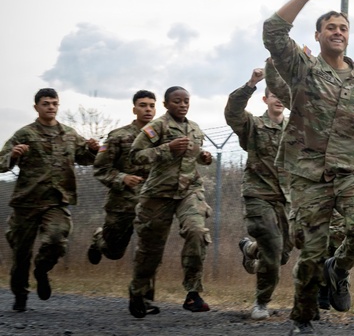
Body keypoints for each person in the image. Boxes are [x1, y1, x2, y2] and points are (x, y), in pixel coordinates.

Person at [264, 0, 354, 336]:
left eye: (343, 28)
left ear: (349, 37)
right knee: (312, 251)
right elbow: (272, 32)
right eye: (330, 27)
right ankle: (302, 319)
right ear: (317, 36)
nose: (337, 32)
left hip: (350, 171)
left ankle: (340, 267)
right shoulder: (303, 69)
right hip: (309, 175)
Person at [1, 88, 99, 311]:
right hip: (26, 202)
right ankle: (20, 295)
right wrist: (14, 155)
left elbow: (87, 158)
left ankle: (42, 269)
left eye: (54, 103)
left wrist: (93, 149)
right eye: (46, 103)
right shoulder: (24, 134)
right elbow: (1, 163)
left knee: (56, 239)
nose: (51, 107)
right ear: (36, 107)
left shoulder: (70, 134)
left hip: (56, 201)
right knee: (20, 254)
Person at [127, 86, 213, 318]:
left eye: (186, 101)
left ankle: (193, 293)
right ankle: (138, 292)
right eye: (177, 101)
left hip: (189, 191)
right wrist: (167, 148)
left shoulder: (194, 128)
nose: (183, 105)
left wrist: (204, 157)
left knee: (197, 232)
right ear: (166, 105)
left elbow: (197, 154)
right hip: (158, 194)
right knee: (150, 250)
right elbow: (136, 155)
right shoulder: (156, 127)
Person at [227, 67, 291, 321]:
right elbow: (232, 112)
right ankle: (261, 302)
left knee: (283, 252)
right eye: (272, 94)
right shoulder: (253, 125)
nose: (278, 99)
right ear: (265, 99)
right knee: (273, 248)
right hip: (258, 196)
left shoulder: (294, 129)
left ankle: (250, 249)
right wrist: (251, 84)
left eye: (281, 95)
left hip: (286, 198)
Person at [87, 90, 160, 312]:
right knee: (114, 251)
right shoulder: (118, 136)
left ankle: (144, 297)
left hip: (152, 203)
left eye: (151, 105)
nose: (148, 109)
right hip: (122, 204)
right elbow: (100, 169)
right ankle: (99, 240)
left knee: (151, 247)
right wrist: (122, 178)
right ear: (134, 109)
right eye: (143, 105)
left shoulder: (161, 135)